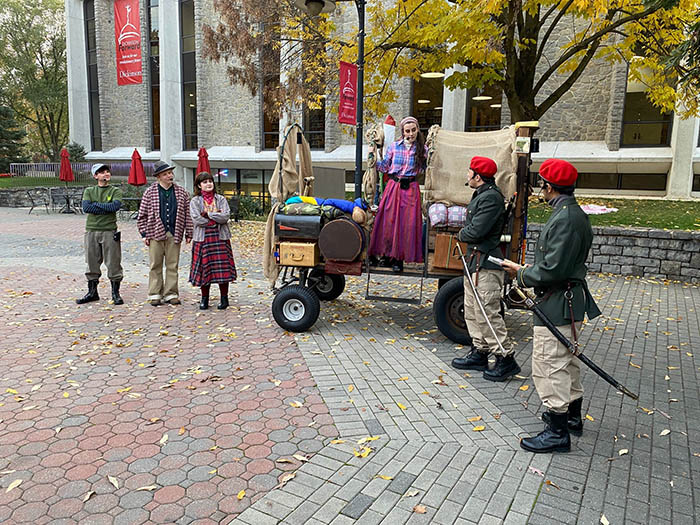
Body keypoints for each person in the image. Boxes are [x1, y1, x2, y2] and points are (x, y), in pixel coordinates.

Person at [502, 159, 601, 454]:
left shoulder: (566, 218)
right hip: (563, 299)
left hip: (559, 300)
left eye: (542, 184)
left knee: (548, 365)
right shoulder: (569, 214)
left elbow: (553, 270)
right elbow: (556, 264)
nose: (540, 189)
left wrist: (520, 273)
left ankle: (557, 431)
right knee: (566, 361)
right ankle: (571, 417)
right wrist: (529, 269)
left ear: (549, 186)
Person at [451, 157, 520, 381]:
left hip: (486, 265)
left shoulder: (491, 197)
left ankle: (505, 358)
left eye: (470, 172)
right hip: (475, 262)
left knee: (487, 313)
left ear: (478, 177)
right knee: (472, 310)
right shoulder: (482, 194)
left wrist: (461, 234)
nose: (467, 176)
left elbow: (476, 231)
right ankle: (480, 352)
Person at [368, 116, 426, 273]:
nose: (411, 133)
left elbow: (426, 168)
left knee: (407, 223)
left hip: (411, 188)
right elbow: (384, 167)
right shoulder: (394, 147)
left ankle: (399, 258)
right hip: (394, 187)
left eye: (413, 130)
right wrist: (372, 156)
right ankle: (386, 254)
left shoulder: (422, 149)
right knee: (389, 220)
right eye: (407, 131)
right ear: (403, 131)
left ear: (417, 130)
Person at [137, 161, 193, 306]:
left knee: (172, 264)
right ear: (159, 177)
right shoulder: (150, 192)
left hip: (175, 232)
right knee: (155, 264)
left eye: (170, 173)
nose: (169, 176)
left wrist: (189, 233)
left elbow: (188, 214)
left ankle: (171, 293)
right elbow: (142, 215)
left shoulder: (182, 192)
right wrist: (144, 234)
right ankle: (154, 293)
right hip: (154, 232)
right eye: (166, 174)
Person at [76, 163, 124, 305]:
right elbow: (86, 207)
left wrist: (95, 205)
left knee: (113, 262)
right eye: (101, 172)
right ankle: (92, 292)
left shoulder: (115, 191)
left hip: (109, 230)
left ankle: (115, 293)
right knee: (91, 262)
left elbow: (114, 207)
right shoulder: (89, 191)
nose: (105, 174)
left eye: (107, 171)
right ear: (95, 176)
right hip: (91, 230)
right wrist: (103, 208)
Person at [189, 172, 237, 310]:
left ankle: (224, 298)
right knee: (205, 269)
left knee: (223, 270)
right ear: (199, 185)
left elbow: (225, 216)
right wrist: (215, 219)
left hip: (220, 238)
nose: (208, 184)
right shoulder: (195, 201)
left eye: (210, 181)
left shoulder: (221, 199)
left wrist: (209, 214)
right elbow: (196, 219)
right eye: (204, 182)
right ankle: (204, 299)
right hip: (203, 239)